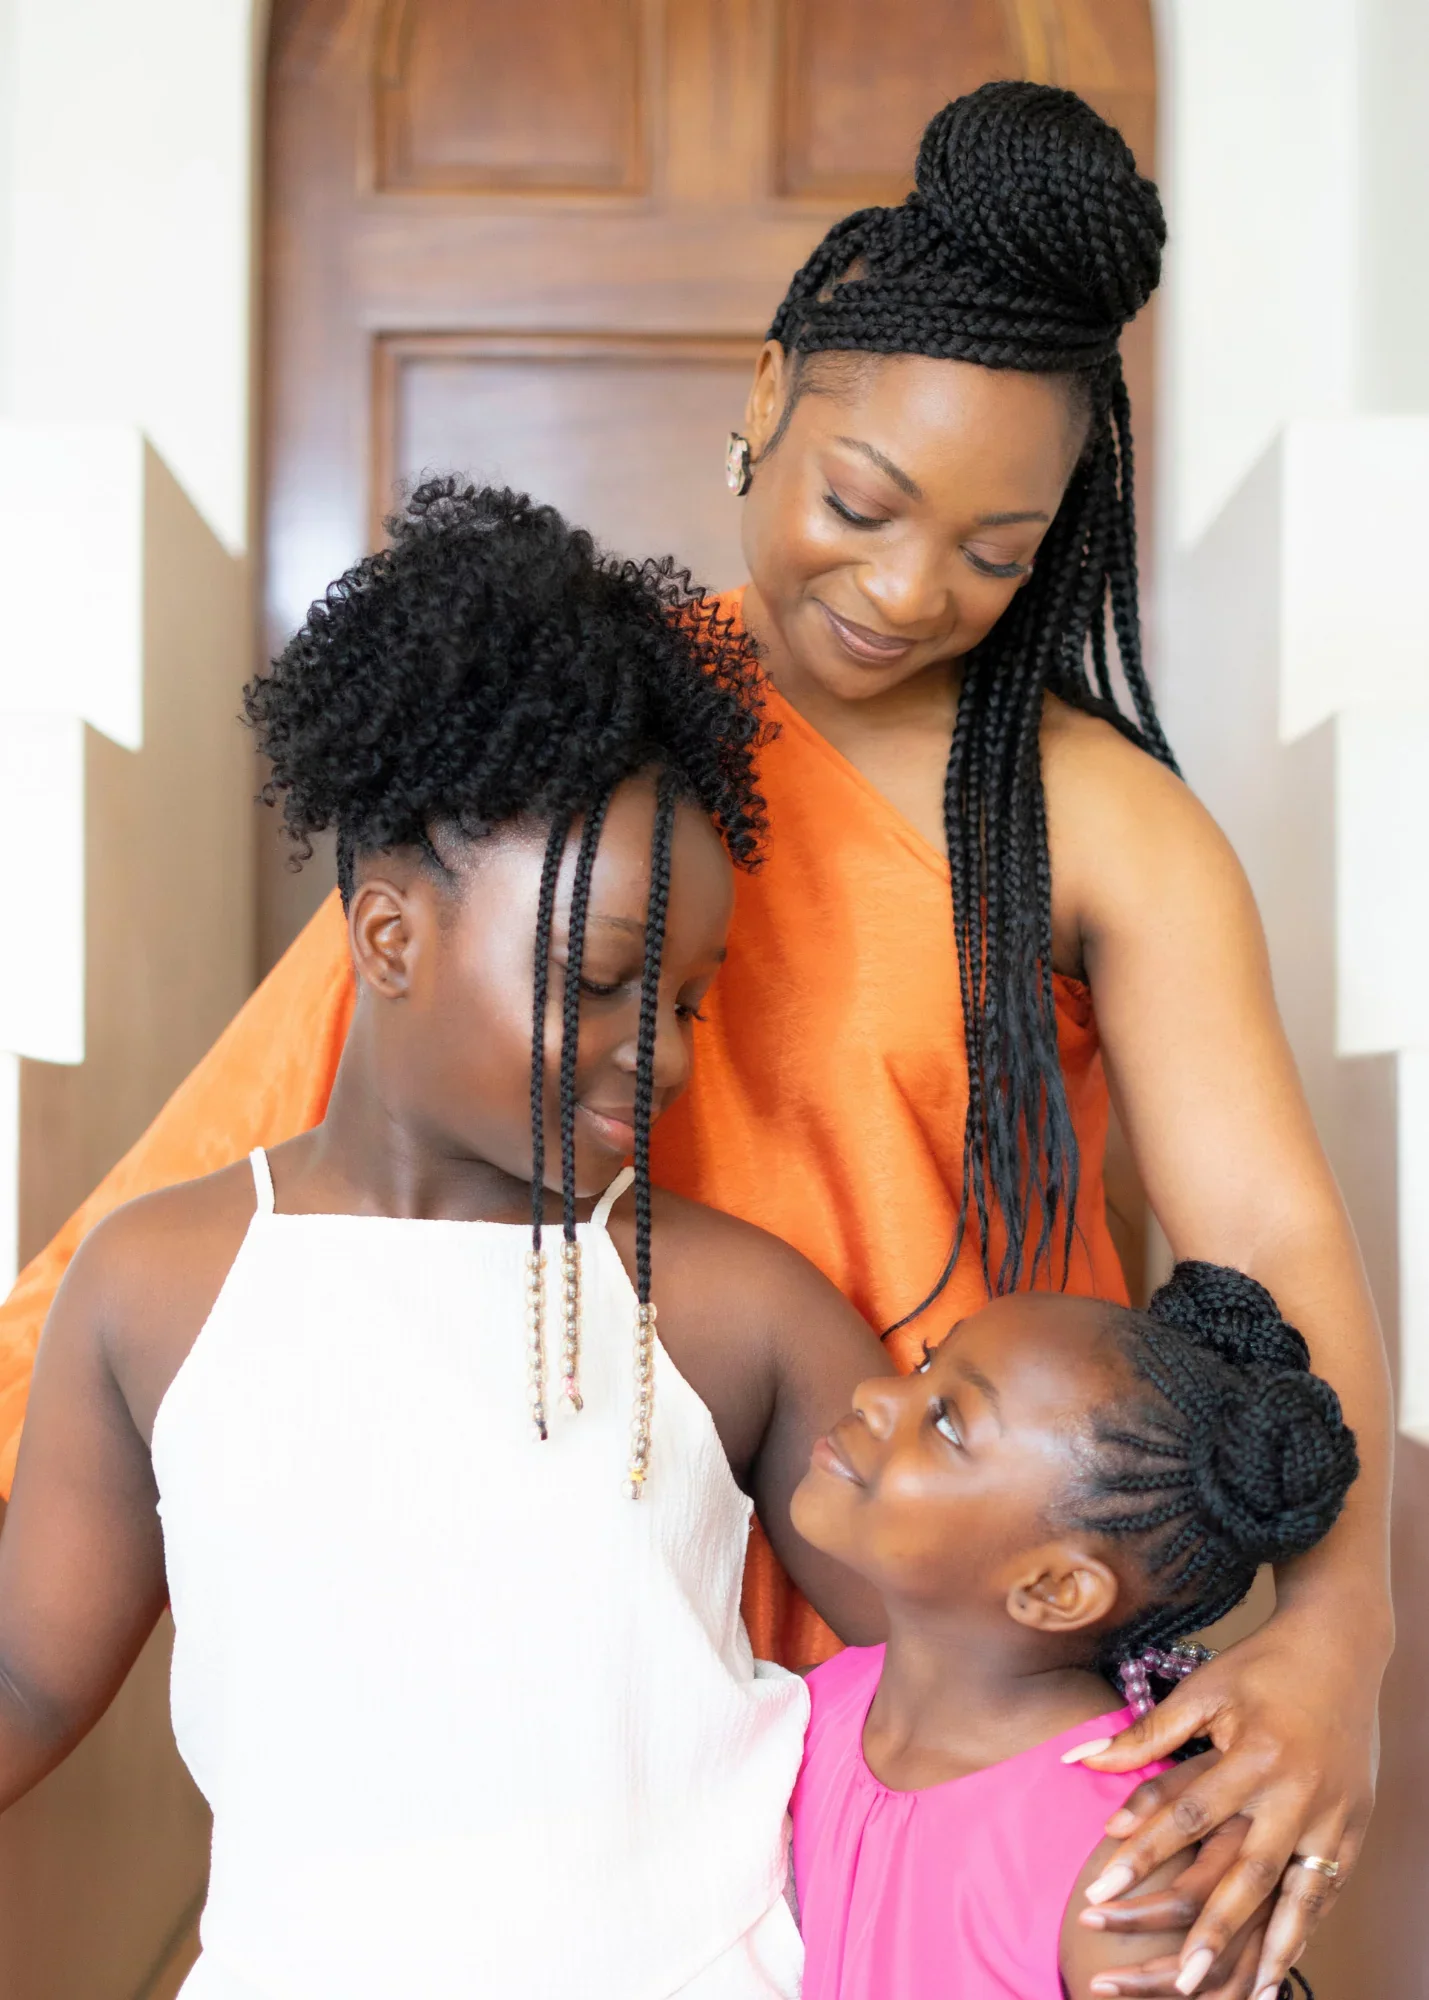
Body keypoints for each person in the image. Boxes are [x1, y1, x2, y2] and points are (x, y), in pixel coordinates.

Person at [0, 81, 1391, 1997]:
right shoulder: (571, 770)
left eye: (994, 550)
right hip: (616, 1623)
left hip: (929, 1636)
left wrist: (1336, 1629)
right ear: (765, 396)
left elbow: (1270, 1244)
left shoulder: (1098, 823)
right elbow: (279, 1143)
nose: (906, 592)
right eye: (857, 503)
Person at [0, 485, 894, 1999]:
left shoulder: (732, 1311)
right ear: (391, 938)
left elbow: (970, 1663)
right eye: (604, 980)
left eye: (682, 1003)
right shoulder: (158, 1289)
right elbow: (28, 1676)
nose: (660, 1055)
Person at [788, 1265, 1358, 2000]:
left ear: (1054, 1589)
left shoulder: (1124, 1869)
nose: (873, 1393)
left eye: (947, 1422)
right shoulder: (817, 1711)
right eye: (926, 1364)